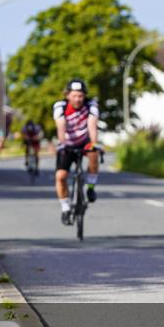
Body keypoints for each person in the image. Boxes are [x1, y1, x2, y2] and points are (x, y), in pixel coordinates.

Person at [53, 79, 100, 225]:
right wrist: (63, 143)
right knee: (61, 176)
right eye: (74, 96)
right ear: (67, 95)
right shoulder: (60, 107)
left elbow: (92, 126)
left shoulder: (91, 106)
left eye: (80, 96)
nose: (78, 99)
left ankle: (90, 187)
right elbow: (61, 126)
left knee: (94, 155)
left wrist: (93, 143)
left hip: (84, 141)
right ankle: (65, 208)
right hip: (67, 142)